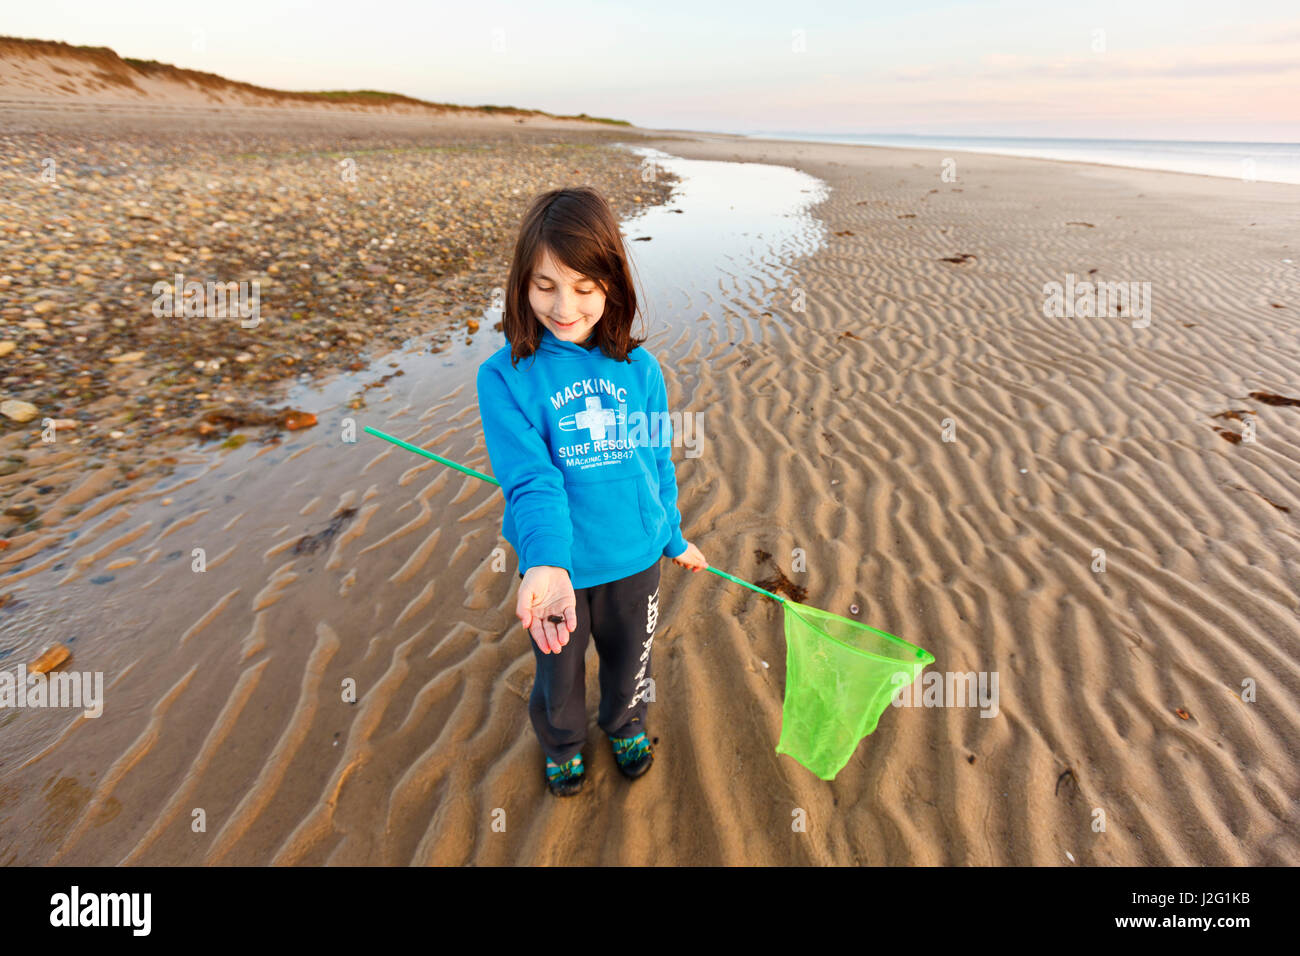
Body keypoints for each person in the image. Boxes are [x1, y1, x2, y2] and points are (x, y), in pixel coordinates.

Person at [476, 186, 708, 797]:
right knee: (559, 674)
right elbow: (531, 479)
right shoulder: (505, 378)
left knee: (632, 663)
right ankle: (562, 745)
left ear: (612, 284)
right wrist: (546, 562)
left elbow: (656, 461)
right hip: (559, 572)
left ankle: (626, 723)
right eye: (544, 284)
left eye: (584, 287)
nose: (565, 306)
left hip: (636, 563)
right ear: (521, 283)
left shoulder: (641, 371)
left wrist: (672, 537)